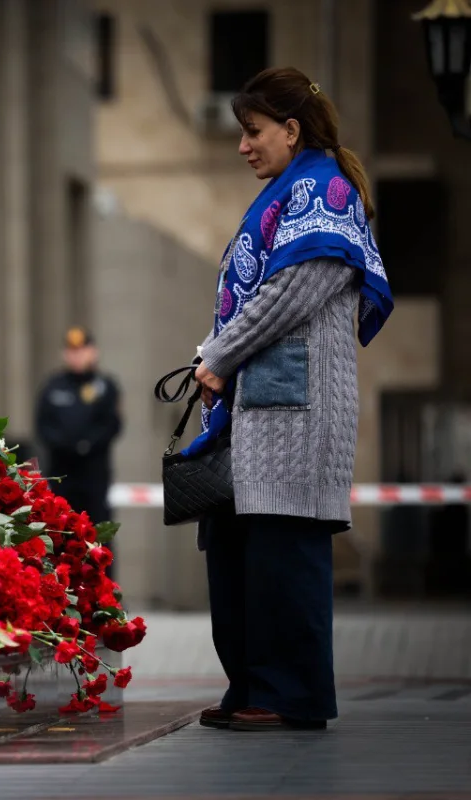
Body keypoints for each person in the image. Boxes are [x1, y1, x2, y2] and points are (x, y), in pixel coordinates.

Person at [189, 68, 393, 733]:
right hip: (266, 409)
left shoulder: (322, 189)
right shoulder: (293, 188)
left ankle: (289, 697)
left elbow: (293, 291)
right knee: (241, 551)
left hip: (296, 414)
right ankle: (252, 688)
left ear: (291, 130)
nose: (243, 145)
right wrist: (213, 356)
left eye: (252, 132)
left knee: (283, 557)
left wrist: (217, 356)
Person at [35, 327, 123, 533]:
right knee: (60, 532)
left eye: (82, 350)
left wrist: (86, 445)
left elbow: (112, 424)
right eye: (72, 351)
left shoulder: (105, 387)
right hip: (61, 475)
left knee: (97, 534)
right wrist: (68, 446)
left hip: (94, 476)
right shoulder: (53, 387)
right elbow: (43, 425)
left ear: (94, 352)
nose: (77, 356)